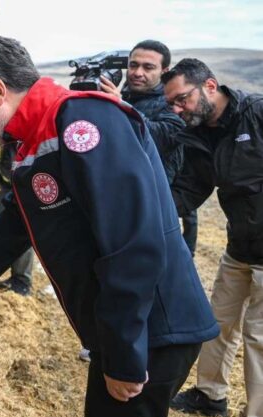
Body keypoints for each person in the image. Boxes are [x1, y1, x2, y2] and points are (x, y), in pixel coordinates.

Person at [0, 34, 219, 417]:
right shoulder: (35, 139)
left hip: (152, 328)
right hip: (128, 330)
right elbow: (11, 229)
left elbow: (132, 244)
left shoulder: (83, 124)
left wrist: (124, 357)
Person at [163, 58, 263, 417]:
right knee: (216, 322)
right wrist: (144, 215)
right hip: (240, 246)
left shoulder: (256, 114)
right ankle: (210, 394)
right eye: (172, 103)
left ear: (209, 86)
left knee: (259, 335)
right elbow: (188, 190)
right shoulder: (201, 136)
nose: (177, 108)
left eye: (182, 99)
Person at [99, 39, 197, 256]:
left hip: (159, 207)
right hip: (123, 202)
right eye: (133, 65)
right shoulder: (124, 94)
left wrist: (120, 106)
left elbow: (164, 136)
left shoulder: (174, 101)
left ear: (165, 71)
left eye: (148, 67)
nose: (137, 72)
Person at [0, 139, 33, 296]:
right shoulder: (5, 130)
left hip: (19, 183)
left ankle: (22, 281)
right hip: (7, 182)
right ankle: (16, 278)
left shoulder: (18, 128)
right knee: (2, 230)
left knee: (20, 230)